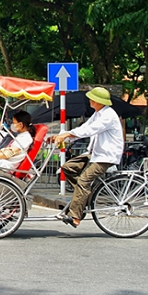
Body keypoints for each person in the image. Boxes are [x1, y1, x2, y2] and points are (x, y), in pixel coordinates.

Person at [51, 87, 123, 228]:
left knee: (83, 181)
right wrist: (65, 136)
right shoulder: (98, 114)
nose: (89, 101)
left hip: (105, 157)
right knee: (68, 168)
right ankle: (84, 197)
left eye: (92, 99)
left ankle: (76, 216)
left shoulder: (108, 115)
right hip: (94, 154)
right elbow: (85, 127)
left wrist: (67, 134)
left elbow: (89, 130)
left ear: (98, 101)